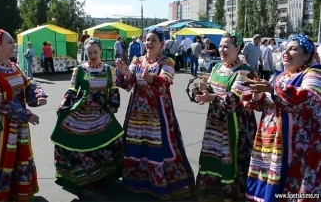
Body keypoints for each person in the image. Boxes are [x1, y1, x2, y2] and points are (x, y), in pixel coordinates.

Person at [115, 27, 195, 201]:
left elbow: (166, 82)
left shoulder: (167, 62)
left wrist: (150, 78)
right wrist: (126, 74)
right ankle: (135, 181)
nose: (149, 43)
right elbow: (128, 86)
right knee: (136, 143)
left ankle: (159, 184)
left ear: (162, 44)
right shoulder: (137, 60)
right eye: (147, 40)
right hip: (136, 113)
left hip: (158, 115)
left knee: (158, 147)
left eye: (153, 40)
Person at [242, 34, 321, 201]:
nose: (286, 52)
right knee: (268, 178)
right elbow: (264, 104)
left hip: (292, 145)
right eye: (285, 48)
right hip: (269, 141)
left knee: (288, 183)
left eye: (293, 49)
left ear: (306, 55)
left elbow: (310, 99)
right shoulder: (279, 76)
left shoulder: (312, 74)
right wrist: (257, 92)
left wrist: (272, 90)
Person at [0, 29, 48, 201]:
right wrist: (26, 114)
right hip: (1, 131)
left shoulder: (14, 66)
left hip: (19, 127)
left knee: (19, 158)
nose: (13, 45)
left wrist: (39, 94)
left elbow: (29, 85)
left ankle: (17, 194)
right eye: (10, 42)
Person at [50, 37, 124, 191]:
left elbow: (113, 90)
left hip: (101, 113)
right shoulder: (79, 70)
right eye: (89, 53)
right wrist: (64, 104)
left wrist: (112, 106)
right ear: (85, 53)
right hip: (81, 112)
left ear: (101, 51)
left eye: (95, 52)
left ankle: (103, 175)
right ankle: (83, 177)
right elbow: (72, 90)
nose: (93, 55)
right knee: (75, 141)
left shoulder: (109, 70)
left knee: (110, 140)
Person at [194, 30, 257, 201]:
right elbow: (212, 89)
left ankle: (232, 195)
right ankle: (212, 192)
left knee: (231, 158)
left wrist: (211, 97)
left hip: (235, 125)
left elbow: (235, 99)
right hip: (214, 123)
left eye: (226, 46)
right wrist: (203, 91)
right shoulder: (216, 67)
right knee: (212, 154)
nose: (221, 50)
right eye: (220, 46)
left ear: (237, 49)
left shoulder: (244, 71)